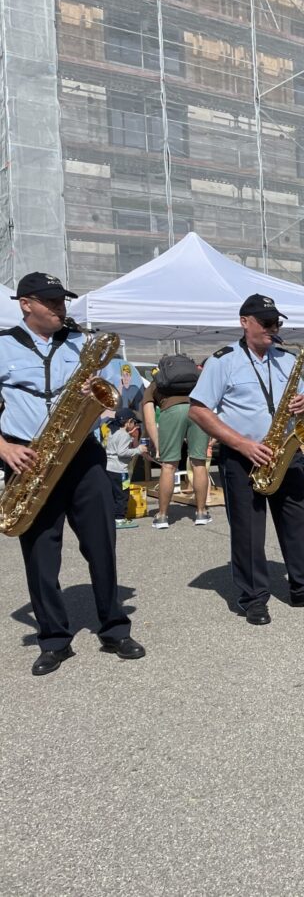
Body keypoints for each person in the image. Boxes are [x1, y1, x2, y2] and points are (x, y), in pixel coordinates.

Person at [0, 272, 146, 675]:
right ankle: (53, 640)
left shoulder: (81, 343)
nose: (60, 308)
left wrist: (95, 391)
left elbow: (108, 393)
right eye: (51, 302)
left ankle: (114, 628)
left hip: (82, 454)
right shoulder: (2, 346)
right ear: (26, 304)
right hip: (28, 456)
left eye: (62, 301)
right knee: (42, 554)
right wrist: (5, 447)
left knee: (102, 544)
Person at [188, 294, 304, 625]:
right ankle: (253, 597)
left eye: (277, 323)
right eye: (267, 323)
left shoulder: (286, 359)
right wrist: (242, 444)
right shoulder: (223, 361)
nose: (274, 329)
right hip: (244, 456)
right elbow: (198, 410)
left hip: (285, 451)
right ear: (245, 322)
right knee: (248, 531)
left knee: (298, 524)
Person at [142, 361, 212, 528]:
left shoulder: (157, 383)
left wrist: (157, 445)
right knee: (199, 462)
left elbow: (149, 419)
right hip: (198, 410)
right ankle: (201, 512)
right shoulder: (194, 379)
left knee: (168, 466)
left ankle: (162, 516)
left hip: (171, 412)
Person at [104, 407, 148, 528]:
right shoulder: (124, 435)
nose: (134, 424)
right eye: (134, 422)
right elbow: (122, 452)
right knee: (123, 494)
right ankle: (120, 518)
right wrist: (138, 450)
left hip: (109, 468)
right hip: (120, 470)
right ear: (128, 422)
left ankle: (113, 517)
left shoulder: (113, 432)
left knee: (113, 494)